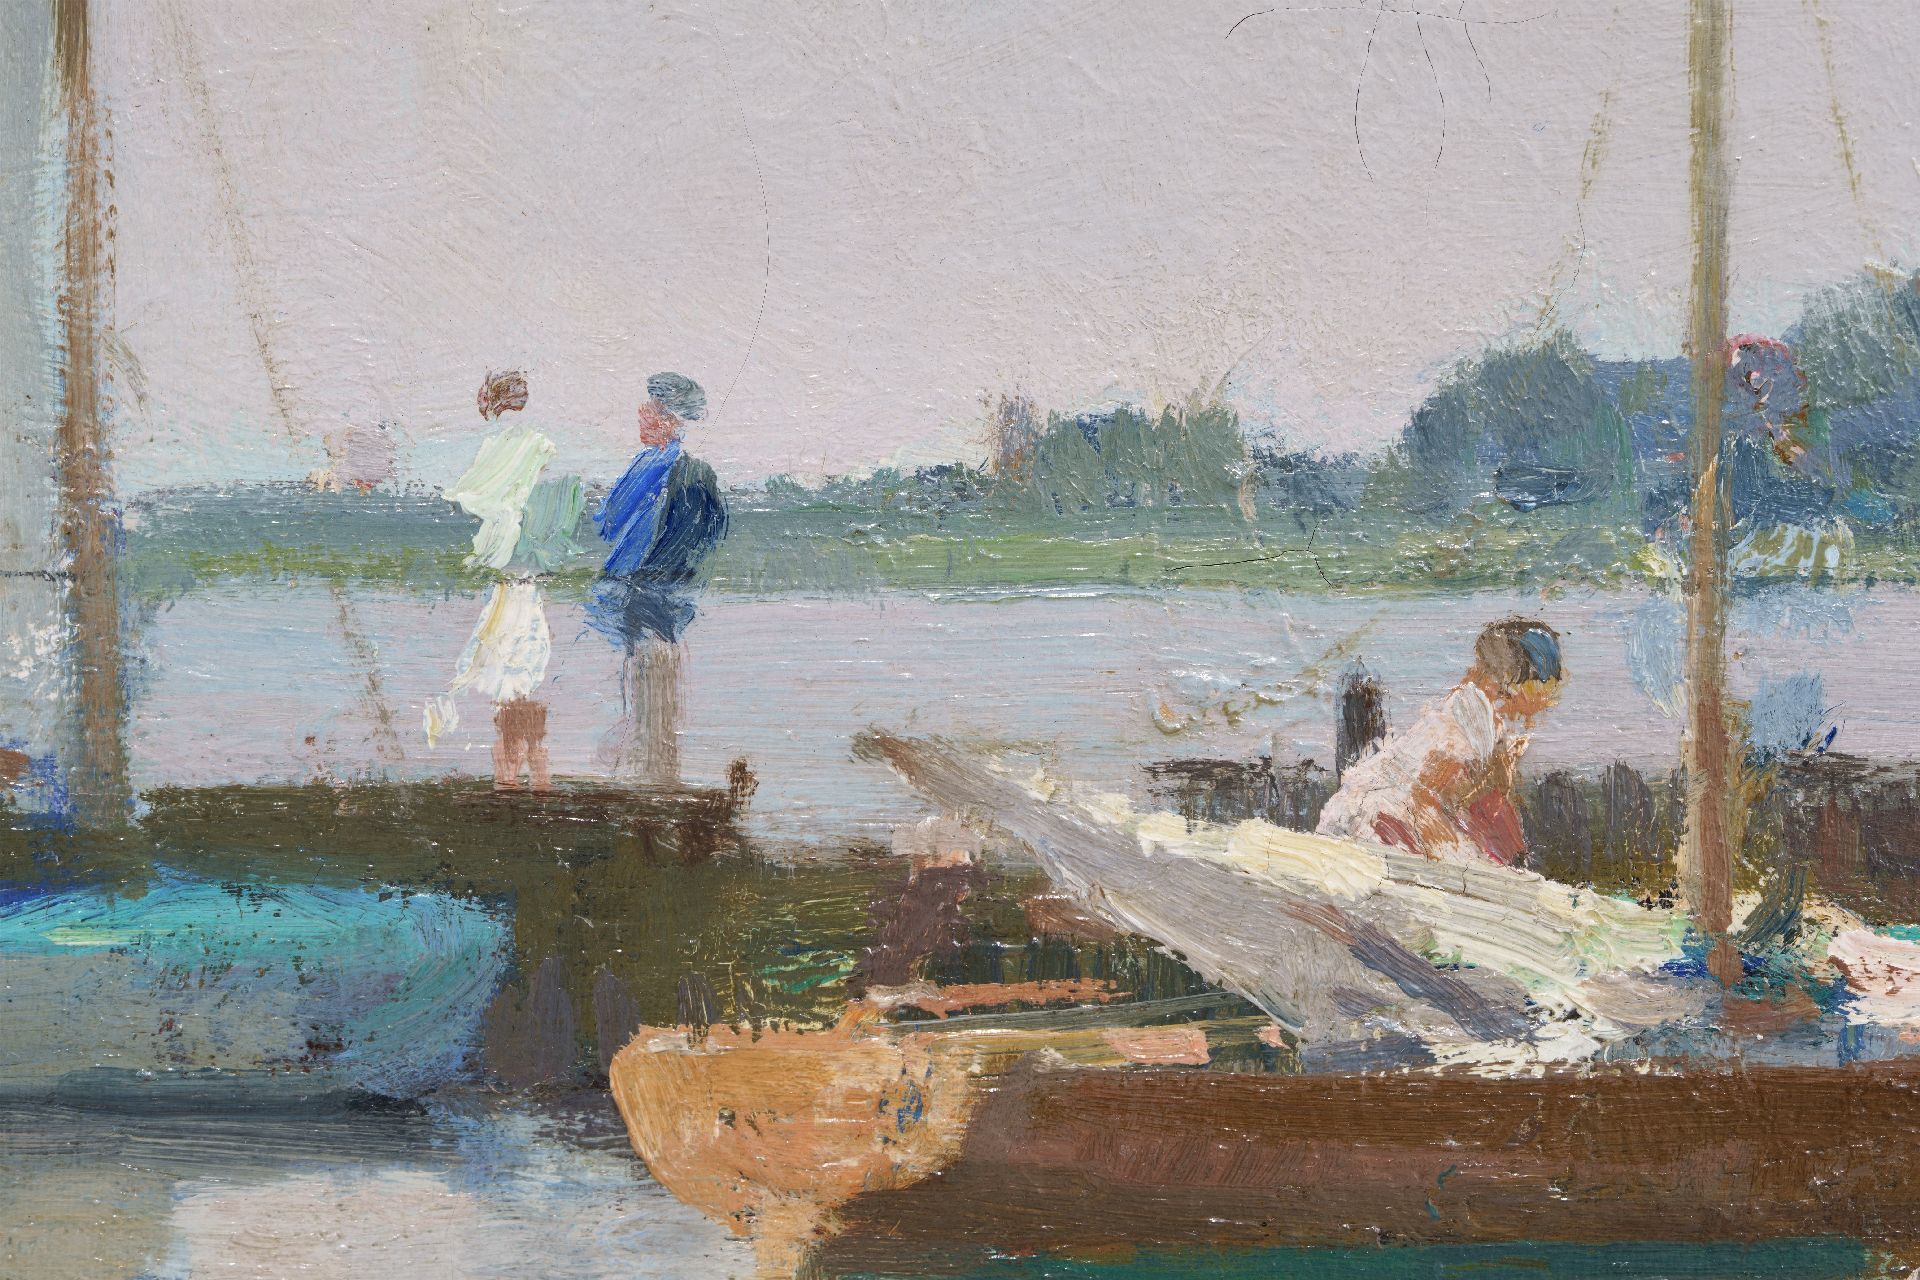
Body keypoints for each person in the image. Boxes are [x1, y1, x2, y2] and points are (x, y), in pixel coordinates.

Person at [425, 369, 584, 790]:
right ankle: (533, 773)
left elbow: (475, 499)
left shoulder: (503, 446)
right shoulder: (542, 447)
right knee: (517, 675)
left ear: (494, 403)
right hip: (527, 581)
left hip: (510, 580)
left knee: (506, 673)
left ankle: (514, 777)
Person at [1315, 617, 1563, 865]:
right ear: (1514, 681)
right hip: (1372, 824)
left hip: (1382, 818)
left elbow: (1482, 806)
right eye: (1546, 683)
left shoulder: (1485, 720)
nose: (1551, 695)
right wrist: (1463, 863)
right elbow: (1422, 800)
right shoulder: (1470, 719)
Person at [588, 372, 729, 785]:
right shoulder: (675, 468)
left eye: (651, 408)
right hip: (656, 596)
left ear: (670, 419)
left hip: (647, 591)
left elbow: (609, 522)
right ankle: (652, 771)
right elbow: (710, 533)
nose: (642, 413)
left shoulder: (666, 468)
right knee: (651, 678)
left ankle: (649, 775)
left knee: (649, 676)